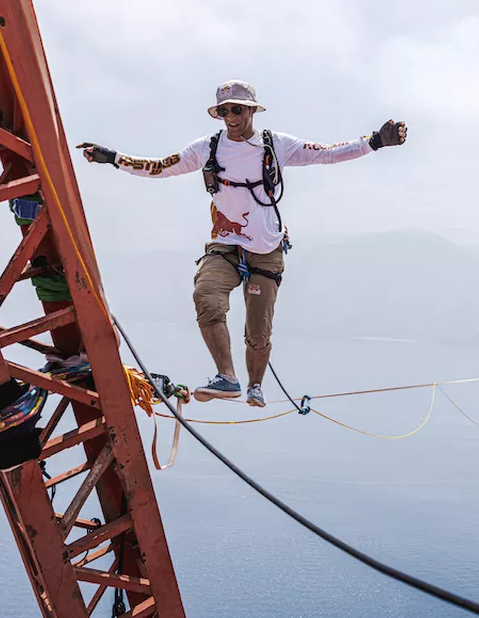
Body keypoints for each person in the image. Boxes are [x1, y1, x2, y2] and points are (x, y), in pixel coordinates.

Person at [77, 79, 407, 407]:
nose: (230, 117)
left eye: (236, 110)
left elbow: (327, 154)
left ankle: (255, 385)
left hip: (266, 249)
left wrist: (375, 141)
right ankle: (227, 377)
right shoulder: (207, 148)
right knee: (206, 296)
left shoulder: (274, 144)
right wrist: (114, 158)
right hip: (225, 244)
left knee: (259, 331)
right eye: (223, 111)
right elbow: (161, 167)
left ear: (251, 111)